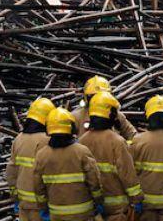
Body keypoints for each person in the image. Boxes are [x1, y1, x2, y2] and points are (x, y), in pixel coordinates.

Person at [78, 92, 143, 221]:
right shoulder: (117, 142)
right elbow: (127, 175)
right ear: (111, 114)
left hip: (93, 208)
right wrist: (137, 199)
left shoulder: (82, 141)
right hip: (117, 210)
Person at [33, 108, 104, 221]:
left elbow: (38, 187)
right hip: (83, 215)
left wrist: (43, 208)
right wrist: (99, 201)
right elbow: (94, 182)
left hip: (56, 215)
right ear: (72, 127)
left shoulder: (41, 155)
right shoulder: (82, 152)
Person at [8, 97, 55, 221]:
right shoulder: (48, 141)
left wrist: (15, 198)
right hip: (42, 206)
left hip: (24, 205)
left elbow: (11, 172)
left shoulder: (19, 139)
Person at [71, 75, 136, 139]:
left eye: (102, 96)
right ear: (87, 98)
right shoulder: (76, 117)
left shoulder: (116, 115)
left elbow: (133, 136)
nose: (98, 99)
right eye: (94, 96)